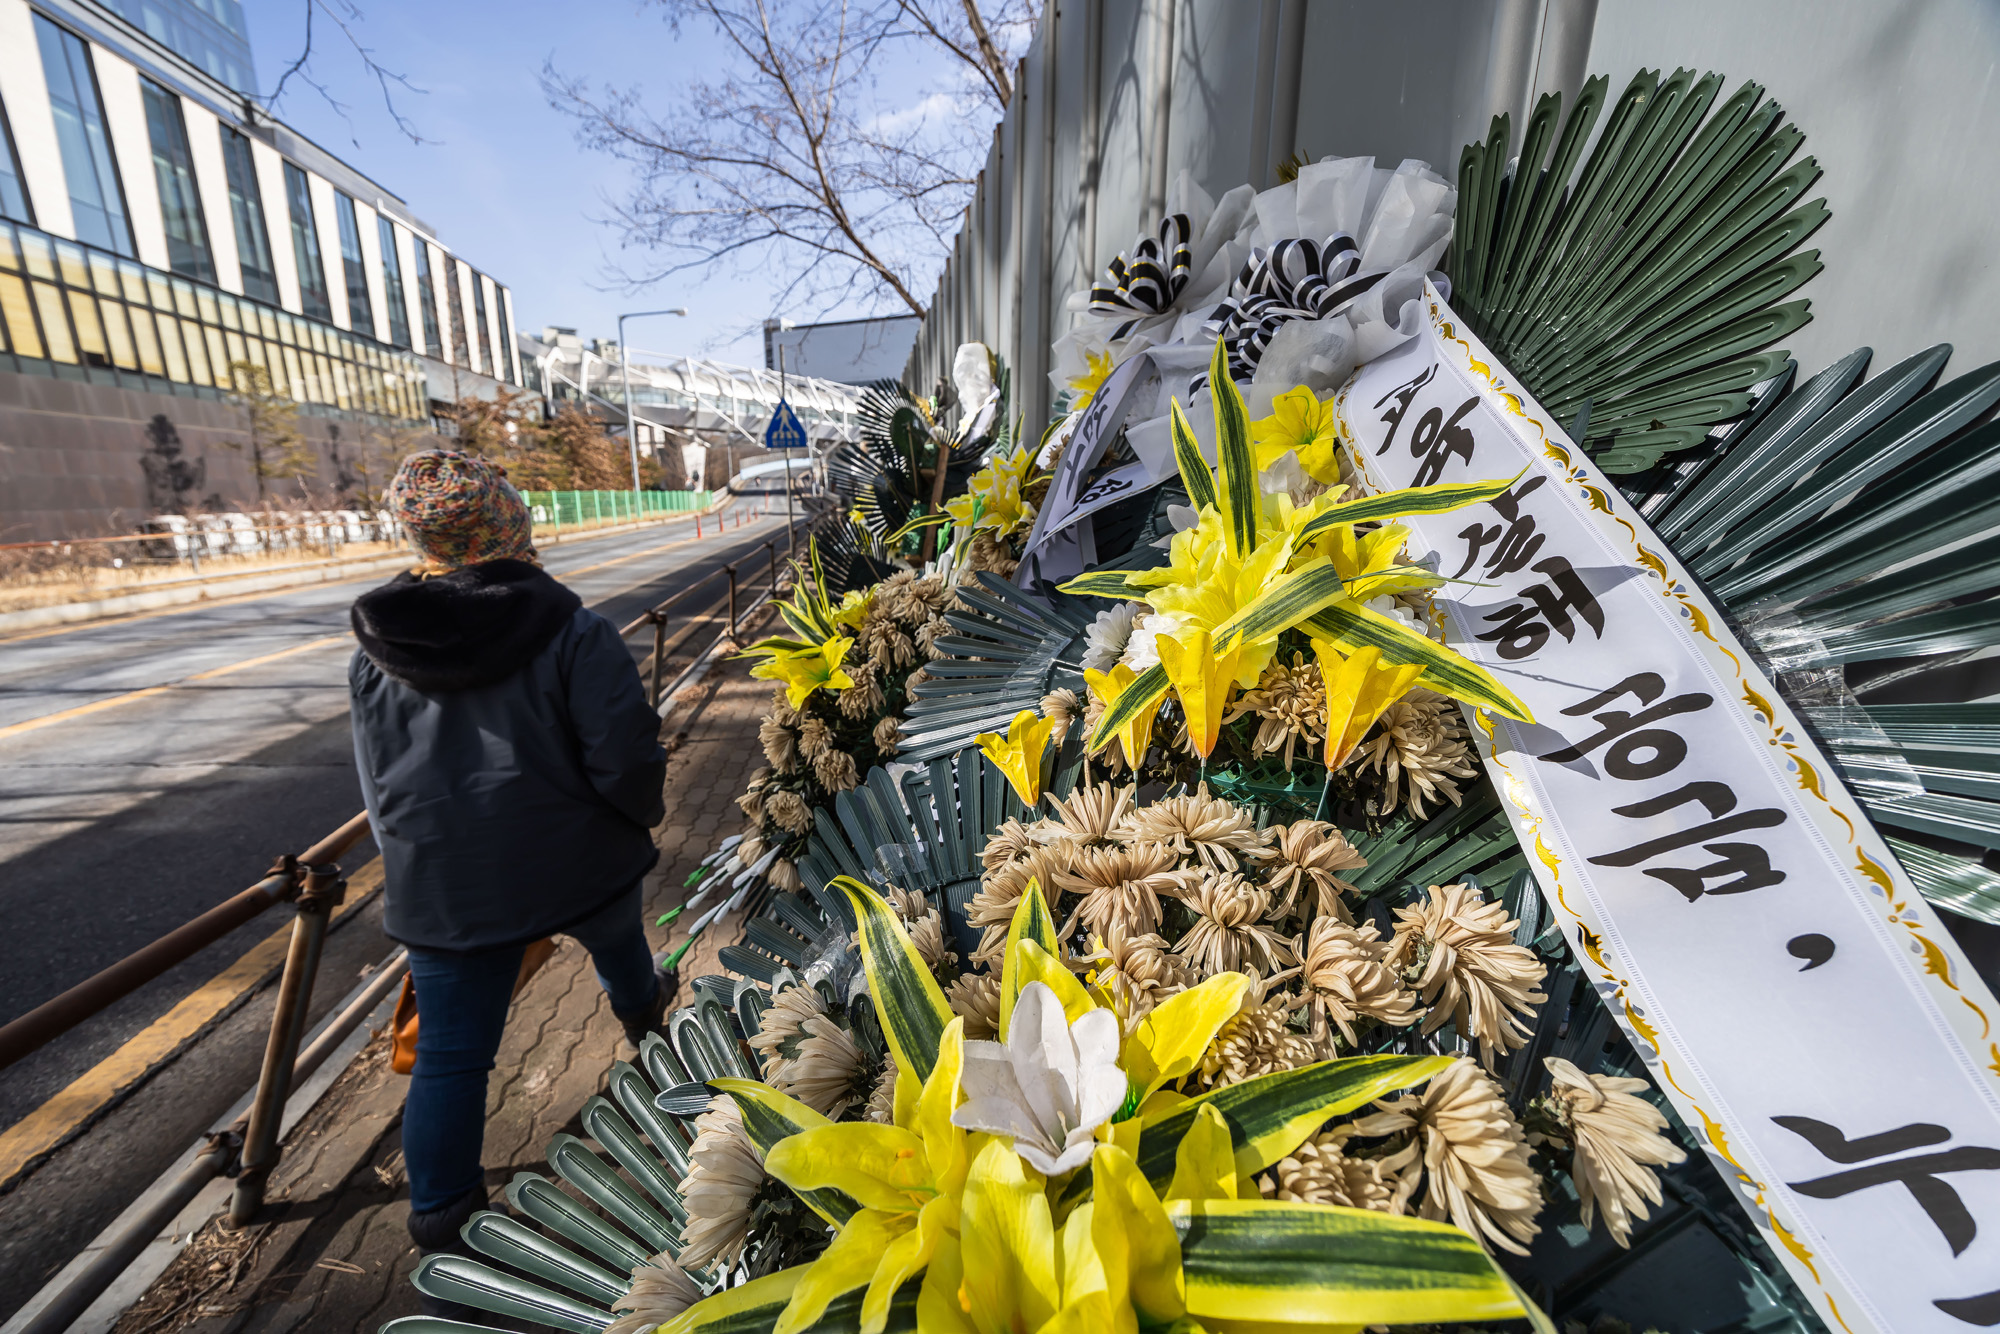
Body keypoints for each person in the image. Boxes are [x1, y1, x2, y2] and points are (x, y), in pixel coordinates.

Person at [348, 449, 672, 1260]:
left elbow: (378, 787)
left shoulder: (377, 652)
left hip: (447, 890)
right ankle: (647, 1028)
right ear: (511, 522)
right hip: (579, 858)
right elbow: (625, 758)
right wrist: (638, 821)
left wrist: (416, 865)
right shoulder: (572, 630)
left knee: (452, 1057)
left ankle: (445, 1225)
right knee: (619, 941)